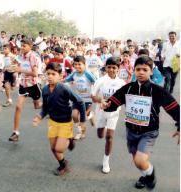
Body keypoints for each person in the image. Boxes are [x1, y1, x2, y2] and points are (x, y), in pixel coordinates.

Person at [102, 55, 180, 190]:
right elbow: (114, 101)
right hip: (131, 132)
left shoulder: (157, 91)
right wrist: (106, 104)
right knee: (137, 162)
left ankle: (150, 176)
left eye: (145, 69)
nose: (141, 72)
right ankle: (145, 175)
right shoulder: (128, 88)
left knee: (140, 160)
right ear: (134, 70)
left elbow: (174, 109)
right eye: (138, 69)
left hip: (149, 132)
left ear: (151, 71)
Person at [33, 63, 86, 176]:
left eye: (53, 74)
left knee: (59, 149)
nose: (50, 76)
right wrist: (39, 116)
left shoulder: (64, 88)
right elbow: (45, 108)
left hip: (65, 123)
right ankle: (63, 165)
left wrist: (82, 121)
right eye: (48, 74)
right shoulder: (45, 89)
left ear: (60, 76)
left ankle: (70, 139)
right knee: (53, 148)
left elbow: (80, 101)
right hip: (52, 122)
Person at [91, 57, 126, 174]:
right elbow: (93, 96)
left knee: (109, 137)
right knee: (101, 135)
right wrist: (101, 101)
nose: (111, 70)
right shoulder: (100, 81)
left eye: (114, 68)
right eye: (109, 67)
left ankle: (106, 161)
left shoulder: (122, 83)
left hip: (113, 114)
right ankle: (100, 124)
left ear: (118, 69)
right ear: (105, 68)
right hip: (101, 112)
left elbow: (125, 99)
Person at [8, 39, 42, 142]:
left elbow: (35, 73)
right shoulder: (20, 57)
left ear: (30, 46)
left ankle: (49, 106)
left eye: (24, 46)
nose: (22, 47)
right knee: (18, 107)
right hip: (23, 84)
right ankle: (15, 133)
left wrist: (20, 70)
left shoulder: (33, 57)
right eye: (21, 46)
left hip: (33, 85)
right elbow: (17, 67)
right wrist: (13, 67)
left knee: (37, 106)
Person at [65, 55, 96, 139]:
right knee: (74, 115)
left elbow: (96, 82)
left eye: (79, 64)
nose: (77, 66)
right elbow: (66, 80)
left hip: (87, 99)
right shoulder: (74, 74)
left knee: (83, 117)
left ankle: (82, 133)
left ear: (84, 64)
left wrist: (94, 92)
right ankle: (79, 130)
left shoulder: (88, 74)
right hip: (77, 99)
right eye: (75, 64)